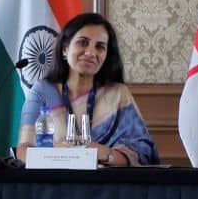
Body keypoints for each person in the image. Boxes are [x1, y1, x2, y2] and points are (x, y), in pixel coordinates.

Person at [17, 12, 159, 166]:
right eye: (83, 43)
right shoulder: (43, 91)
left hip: (106, 186)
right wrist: (56, 153)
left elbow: (142, 154)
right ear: (65, 48)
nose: (91, 52)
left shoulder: (118, 94)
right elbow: (23, 152)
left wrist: (102, 153)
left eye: (100, 47)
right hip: (54, 183)